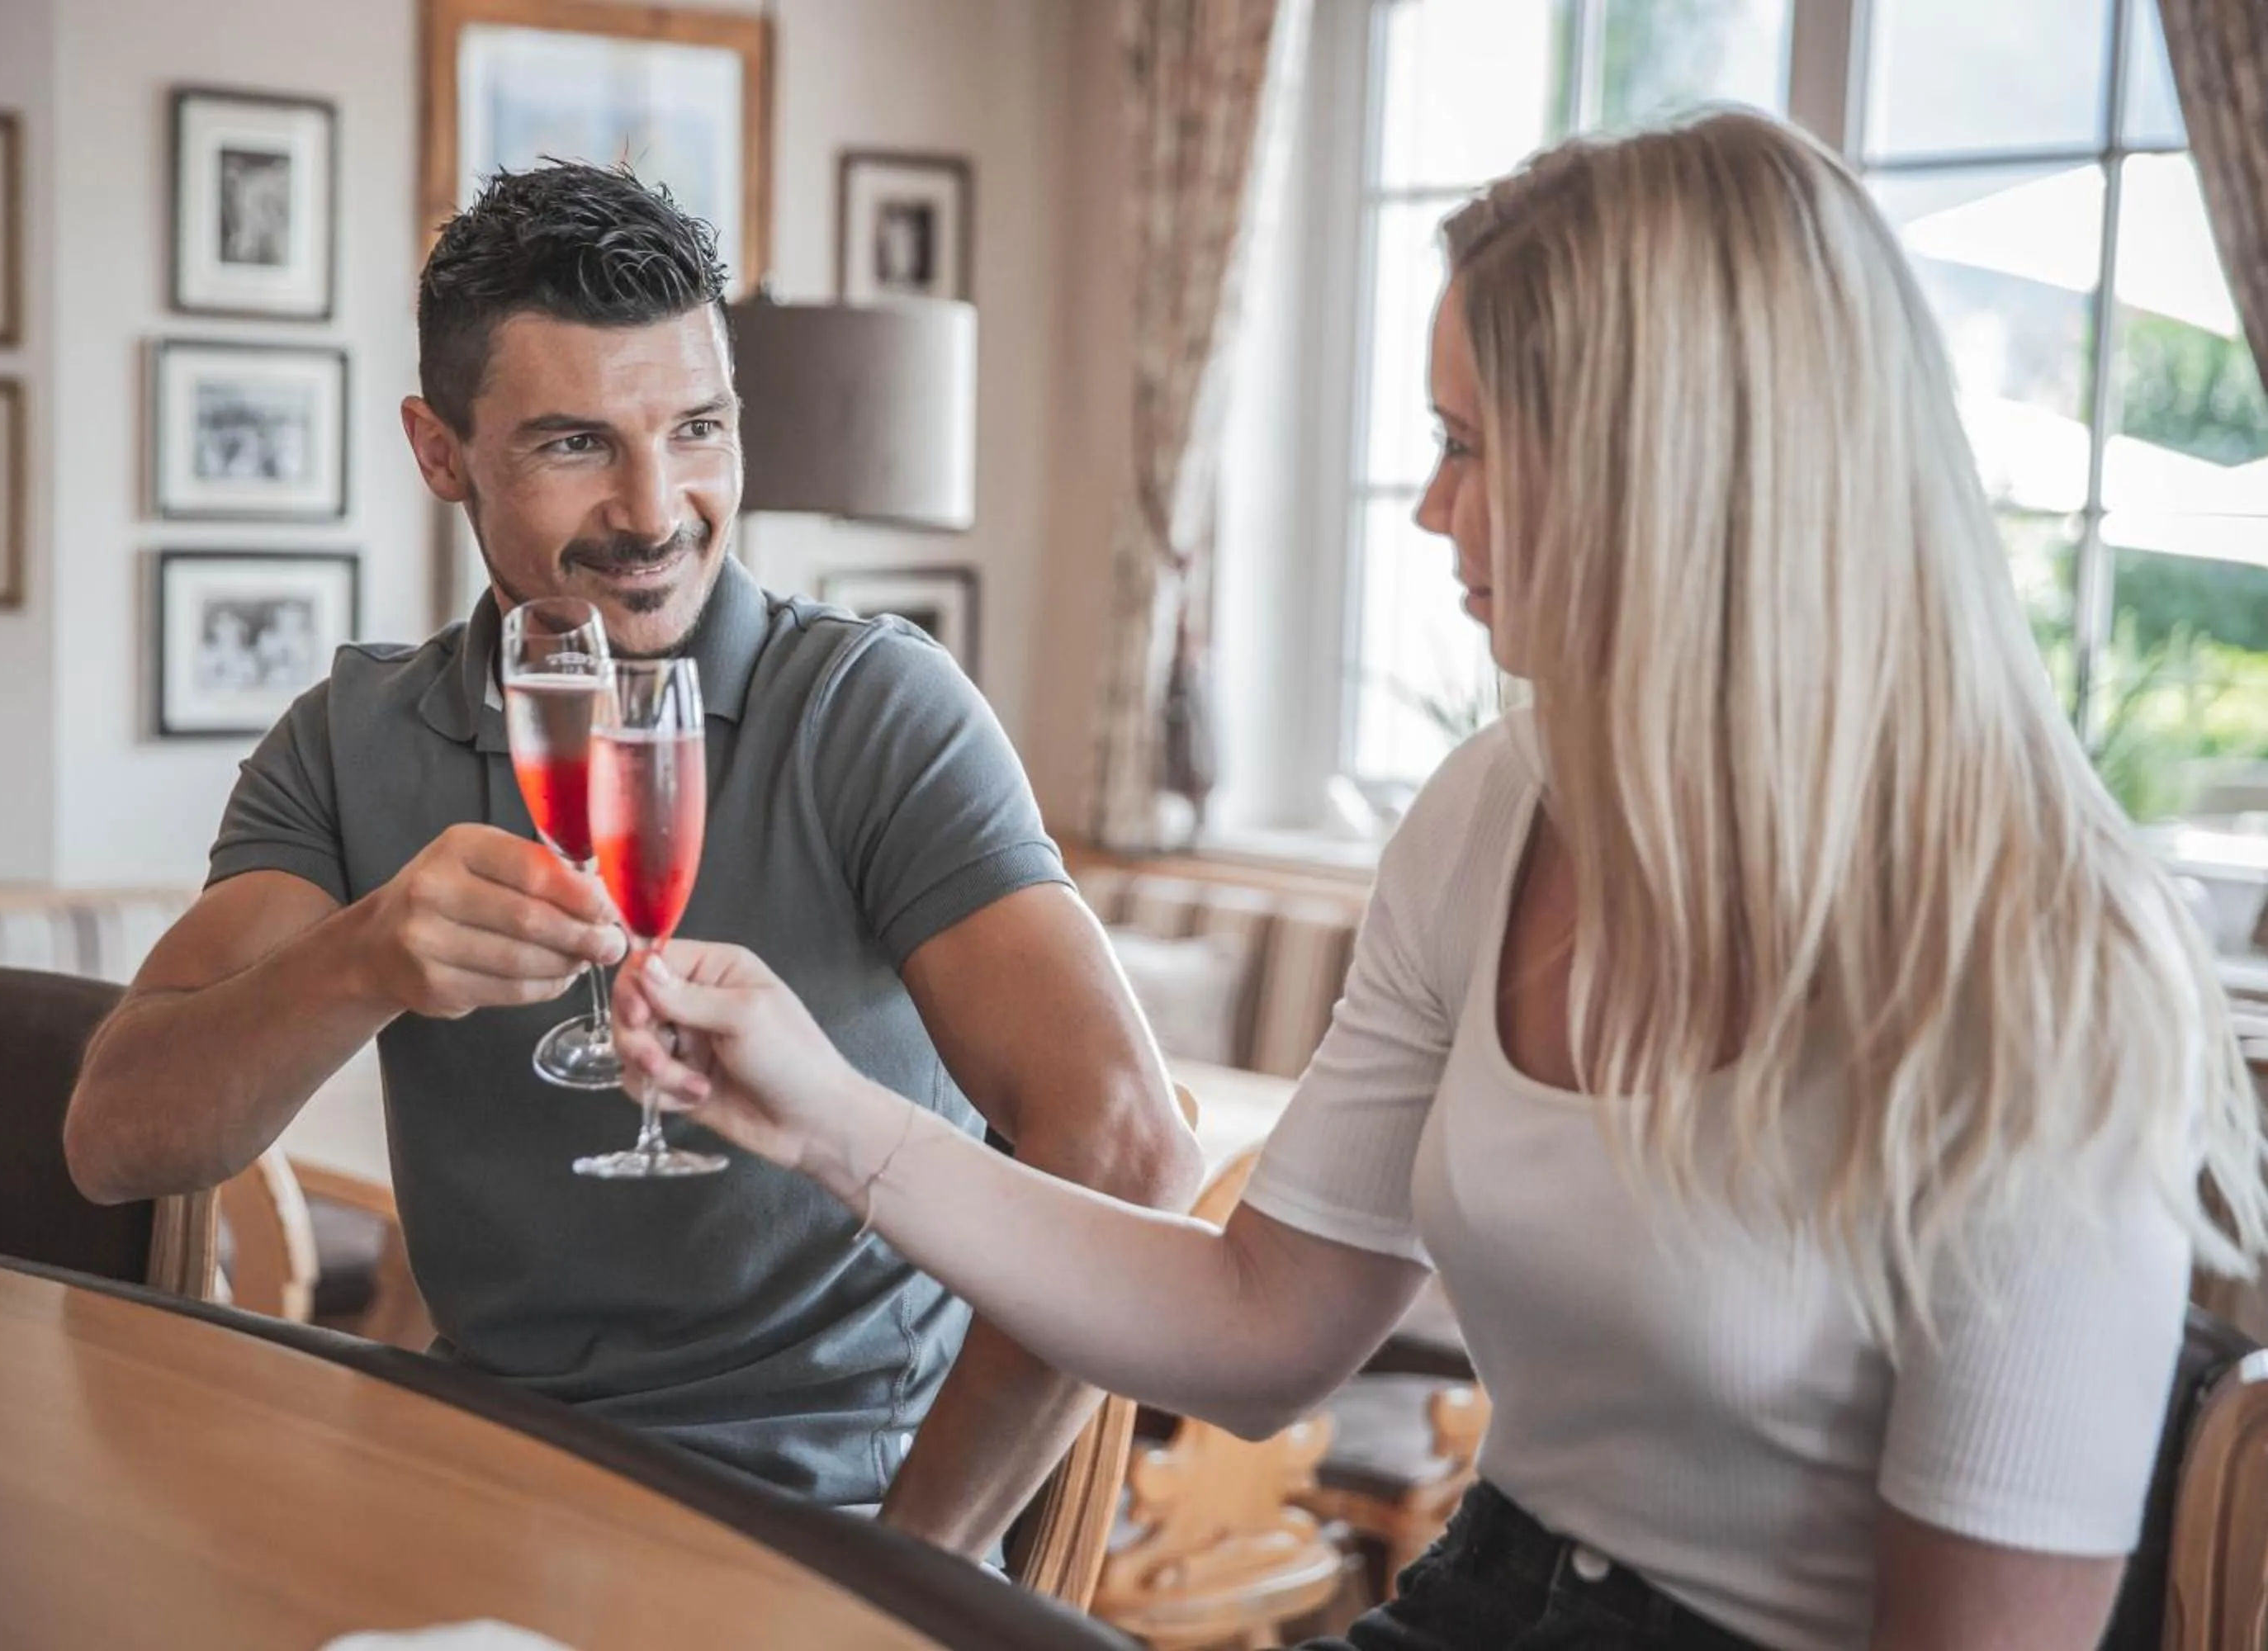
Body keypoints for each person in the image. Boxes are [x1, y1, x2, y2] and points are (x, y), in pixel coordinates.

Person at [602, 111, 2268, 1651]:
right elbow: (1260, 1327)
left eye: (1470, 445)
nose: (1426, 508)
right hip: (1483, 1595)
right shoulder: (1496, 810)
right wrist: (827, 1114)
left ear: (1667, 475)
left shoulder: (2050, 969)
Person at [64, 162, 1200, 1553]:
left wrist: (920, 1570)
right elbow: (118, 1142)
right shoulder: (353, 741)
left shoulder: (872, 714)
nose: (657, 510)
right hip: (476, 1486)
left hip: (816, 1520)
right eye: (573, 444)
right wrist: (358, 961)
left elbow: (1130, 1148)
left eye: (697, 430)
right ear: (441, 454)